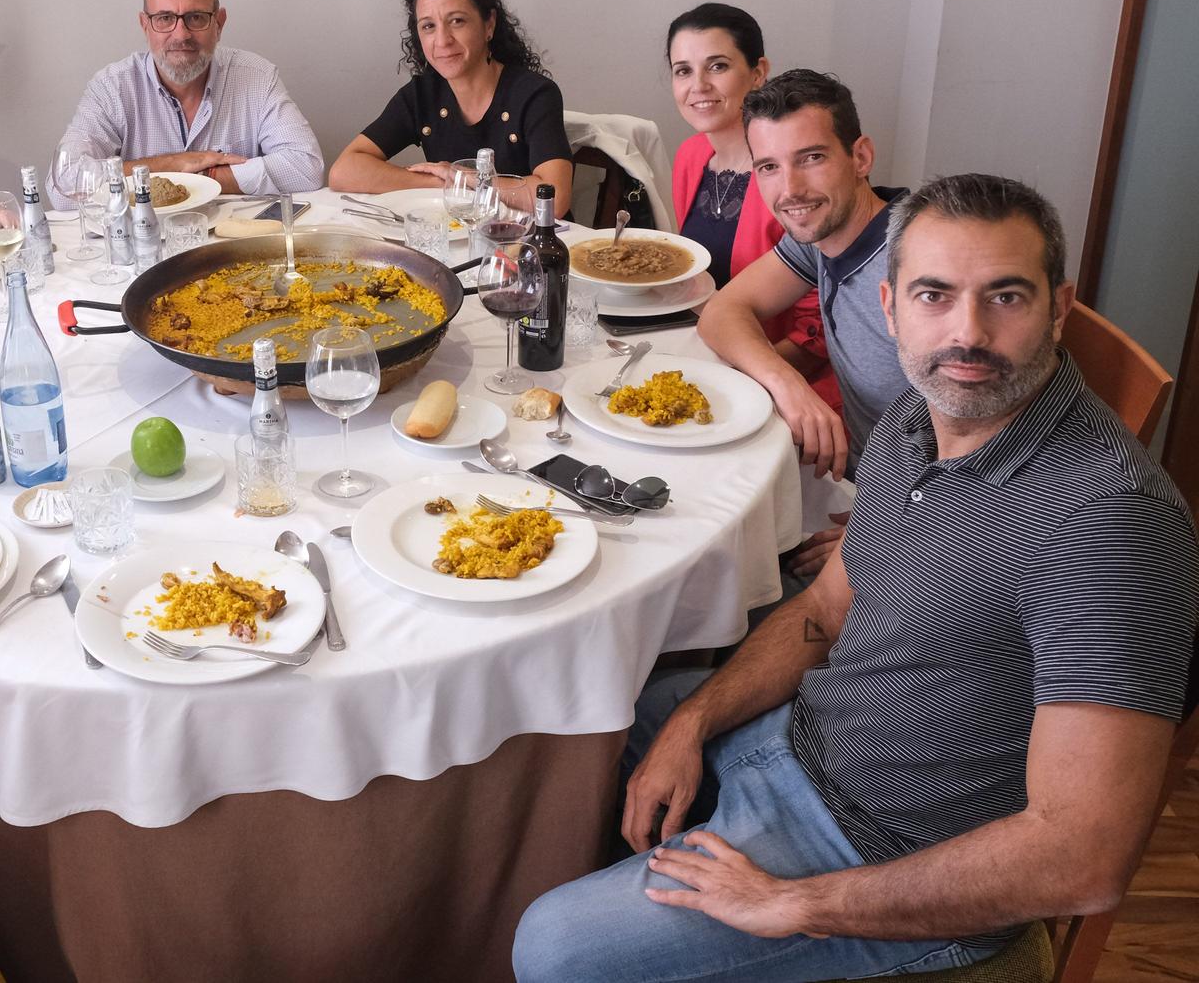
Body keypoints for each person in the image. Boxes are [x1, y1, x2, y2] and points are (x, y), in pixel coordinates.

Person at [513, 174, 1197, 983]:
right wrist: (697, 719)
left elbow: (1081, 855)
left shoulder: (1109, 522)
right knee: (605, 715)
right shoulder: (922, 415)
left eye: (1005, 296)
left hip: (883, 850)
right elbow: (829, 608)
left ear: (1060, 307)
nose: (967, 332)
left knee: (551, 948)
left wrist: (799, 904)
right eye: (934, 295)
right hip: (806, 742)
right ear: (890, 306)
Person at [696, 69, 907, 484]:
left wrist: (879, 527)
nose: (790, 189)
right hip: (866, 480)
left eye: (812, 158)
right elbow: (723, 310)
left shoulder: (917, 267)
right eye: (770, 167)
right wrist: (787, 383)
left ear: (861, 157)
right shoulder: (824, 233)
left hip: (914, 512)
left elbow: (989, 435)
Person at [663, 5, 837, 409]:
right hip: (706, 351)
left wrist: (729, 385)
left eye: (717, 66)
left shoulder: (789, 178)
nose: (698, 85)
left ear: (758, 72)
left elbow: (817, 336)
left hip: (778, 384)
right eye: (683, 70)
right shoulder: (691, 156)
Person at [53, 0, 324, 195]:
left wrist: (205, 177)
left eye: (195, 18)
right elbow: (64, 182)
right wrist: (175, 164)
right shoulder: (112, 87)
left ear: (219, 24)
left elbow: (306, 167)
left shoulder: (257, 77)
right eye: (164, 18)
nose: (181, 34)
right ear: (145, 25)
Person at [329, 0, 572, 216]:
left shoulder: (534, 94)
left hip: (529, 248)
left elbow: (555, 198)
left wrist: (464, 179)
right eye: (428, 26)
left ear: (488, 24)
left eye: (457, 21)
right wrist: (441, 183)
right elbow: (344, 170)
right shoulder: (422, 94)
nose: (442, 40)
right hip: (458, 242)